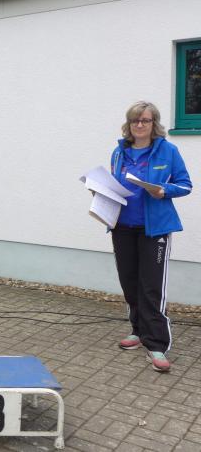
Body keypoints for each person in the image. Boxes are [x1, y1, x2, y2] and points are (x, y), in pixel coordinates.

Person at [110, 101, 191, 373]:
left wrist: (163, 190)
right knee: (130, 283)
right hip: (123, 227)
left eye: (145, 120)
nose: (139, 125)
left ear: (153, 123)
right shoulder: (119, 152)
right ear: (129, 124)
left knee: (151, 287)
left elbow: (185, 185)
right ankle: (138, 331)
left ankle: (156, 344)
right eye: (135, 120)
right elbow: (116, 185)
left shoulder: (168, 151)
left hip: (154, 229)